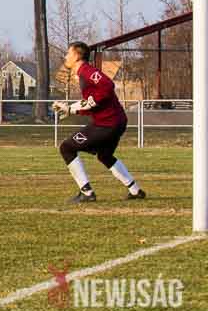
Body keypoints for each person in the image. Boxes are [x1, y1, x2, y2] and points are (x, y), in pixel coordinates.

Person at [53, 41, 146, 203]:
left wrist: (80, 106)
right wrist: (70, 109)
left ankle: (87, 193)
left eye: (68, 53)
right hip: (116, 121)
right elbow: (92, 103)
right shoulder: (83, 74)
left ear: (77, 56)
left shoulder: (87, 71)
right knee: (104, 155)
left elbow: (107, 85)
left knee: (66, 148)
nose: (65, 57)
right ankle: (135, 190)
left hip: (107, 124)